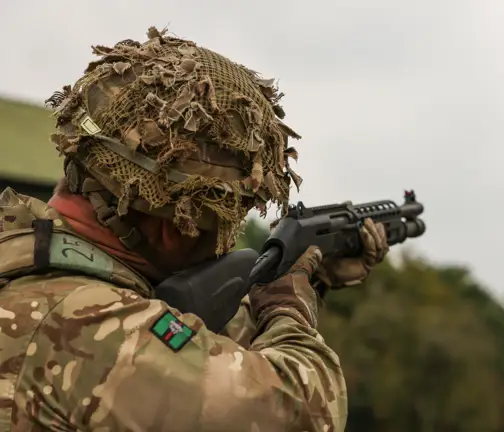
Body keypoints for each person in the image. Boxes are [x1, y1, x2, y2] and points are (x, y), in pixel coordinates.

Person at [0, 27, 388, 431]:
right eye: (221, 227)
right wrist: (290, 309)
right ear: (177, 228)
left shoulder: (31, 273)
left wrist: (308, 278)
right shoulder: (92, 324)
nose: (223, 245)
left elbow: (198, 348)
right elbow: (305, 413)